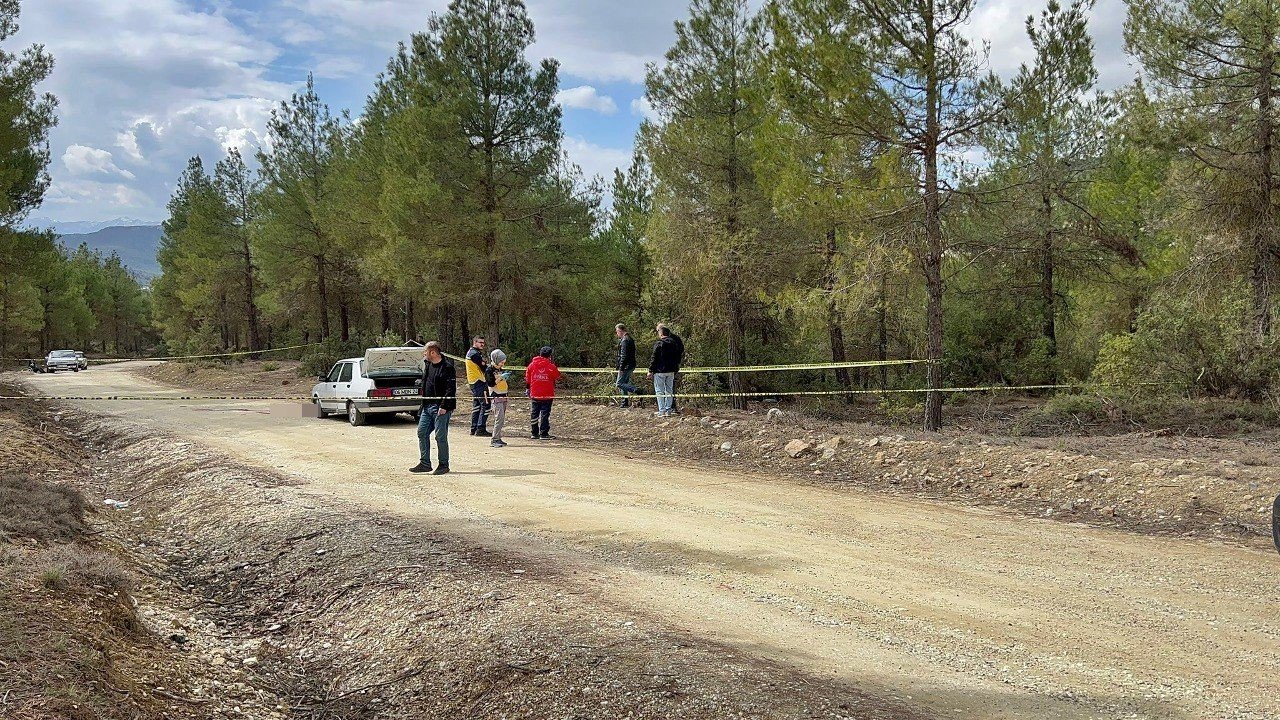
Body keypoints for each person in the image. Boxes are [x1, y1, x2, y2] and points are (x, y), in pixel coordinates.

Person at [411, 341, 456, 475]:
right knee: (422, 432)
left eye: (425, 352)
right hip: (427, 406)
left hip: (441, 407)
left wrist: (444, 406)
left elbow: (450, 389)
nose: (424, 354)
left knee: (440, 436)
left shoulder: (447, 367)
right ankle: (425, 463)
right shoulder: (428, 365)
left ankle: (443, 465)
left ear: (433, 352)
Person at [525, 345, 561, 440]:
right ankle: (544, 433)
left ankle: (534, 433)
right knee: (545, 413)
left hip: (535, 393)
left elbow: (527, 379)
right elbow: (557, 376)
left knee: (534, 413)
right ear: (550, 356)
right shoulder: (551, 366)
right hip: (547, 394)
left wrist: (528, 389)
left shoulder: (531, 365)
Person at [647, 324, 679, 417]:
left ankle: (662, 411)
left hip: (660, 371)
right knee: (669, 390)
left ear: (661, 333)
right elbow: (677, 357)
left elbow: (654, 357)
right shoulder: (674, 343)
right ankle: (668, 410)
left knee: (659, 391)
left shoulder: (659, 343)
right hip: (671, 371)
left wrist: (650, 370)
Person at [464, 336, 491, 437]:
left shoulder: (472, 352)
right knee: (486, 405)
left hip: (474, 382)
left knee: (477, 406)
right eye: (480, 342)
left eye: (483, 343)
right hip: (479, 382)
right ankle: (480, 428)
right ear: (475, 342)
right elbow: (484, 367)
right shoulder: (474, 354)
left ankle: (474, 428)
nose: (482, 344)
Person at [486, 349, 510, 448]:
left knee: (502, 418)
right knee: (499, 418)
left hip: (503, 395)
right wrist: (500, 378)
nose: (502, 364)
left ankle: (498, 437)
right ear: (496, 360)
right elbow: (490, 383)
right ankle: (494, 439)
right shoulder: (489, 370)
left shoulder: (500, 369)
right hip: (496, 396)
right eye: (501, 362)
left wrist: (505, 378)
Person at [614, 323, 638, 407]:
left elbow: (624, 356)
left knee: (619, 383)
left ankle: (637, 390)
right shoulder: (629, 339)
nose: (617, 334)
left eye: (617, 332)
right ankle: (625, 402)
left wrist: (621, 368)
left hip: (626, 366)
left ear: (620, 331)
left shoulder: (625, 340)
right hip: (630, 365)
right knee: (624, 383)